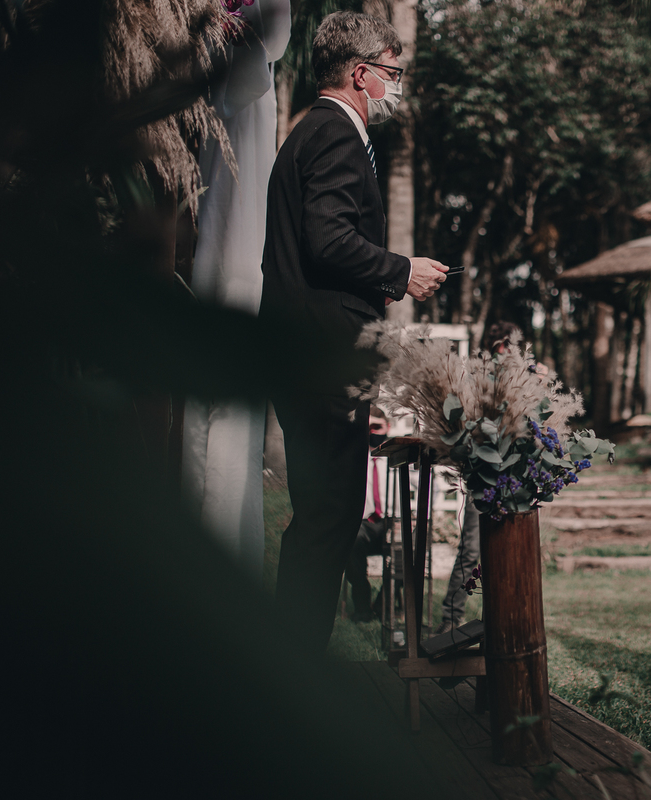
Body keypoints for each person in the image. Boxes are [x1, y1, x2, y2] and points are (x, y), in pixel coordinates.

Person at [261, 11, 449, 654]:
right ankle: (296, 673)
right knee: (329, 518)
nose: (395, 88)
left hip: (301, 350)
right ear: (361, 74)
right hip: (323, 356)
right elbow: (328, 239)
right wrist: (402, 270)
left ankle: (292, 663)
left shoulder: (307, 133)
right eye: (392, 75)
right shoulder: (336, 136)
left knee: (322, 516)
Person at [437, 321, 522, 634]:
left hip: (513, 476)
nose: (511, 352)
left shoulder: (523, 378)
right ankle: (449, 620)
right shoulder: (479, 379)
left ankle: (501, 623)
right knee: (472, 548)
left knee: (508, 549)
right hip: (482, 474)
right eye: (507, 346)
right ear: (499, 346)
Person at [344, 407, 391, 623]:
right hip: (361, 523)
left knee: (406, 552)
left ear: (387, 427)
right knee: (350, 541)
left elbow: (429, 488)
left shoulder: (396, 457)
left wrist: (416, 517)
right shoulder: (353, 458)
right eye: (368, 427)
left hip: (392, 523)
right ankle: (362, 605)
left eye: (377, 427)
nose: (372, 431)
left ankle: (382, 604)